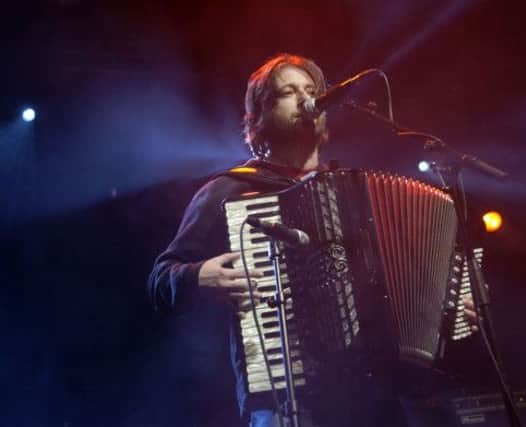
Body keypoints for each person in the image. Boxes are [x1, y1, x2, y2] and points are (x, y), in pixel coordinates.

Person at [147, 53, 479, 427]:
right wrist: (196, 275)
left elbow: (417, 278)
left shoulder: (357, 191)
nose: (306, 100)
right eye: (288, 92)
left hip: (381, 395)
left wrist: (452, 305)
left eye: (311, 91)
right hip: (289, 398)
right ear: (258, 118)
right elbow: (161, 277)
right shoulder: (228, 191)